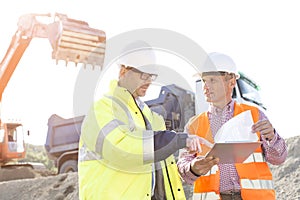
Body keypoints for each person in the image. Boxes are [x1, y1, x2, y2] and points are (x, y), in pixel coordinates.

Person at [78, 40, 202, 200]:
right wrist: (175, 140)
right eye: (144, 74)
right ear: (123, 71)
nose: (149, 80)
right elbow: (122, 149)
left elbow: (163, 169)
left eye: (152, 75)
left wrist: (193, 170)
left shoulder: (151, 117)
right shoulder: (102, 109)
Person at [177, 52, 287, 200]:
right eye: (204, 81)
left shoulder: (254, 115)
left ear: (232, 82)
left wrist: (272, 137)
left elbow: (278, 159)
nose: (206, 87)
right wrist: (193, 168)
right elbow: (183, 166)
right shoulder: (193, 125)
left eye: (212, 80)